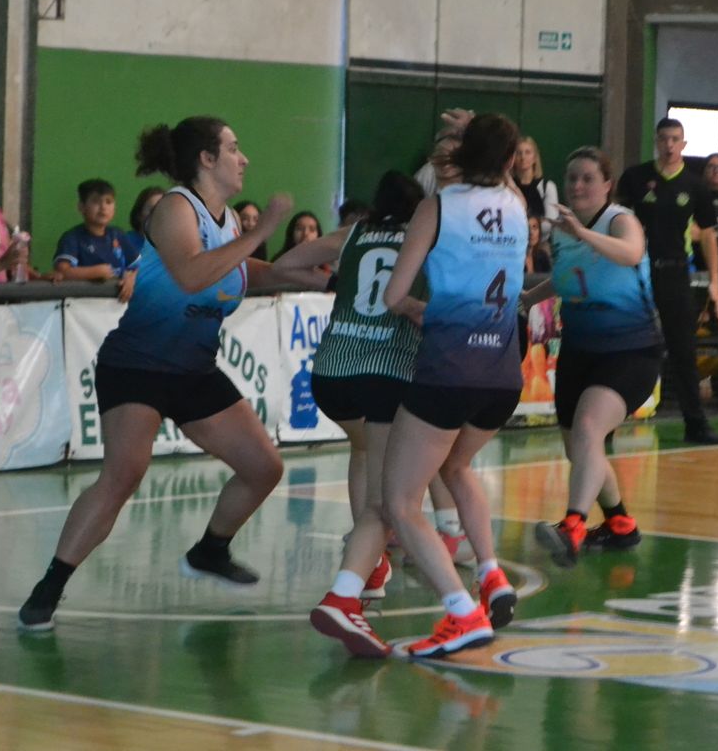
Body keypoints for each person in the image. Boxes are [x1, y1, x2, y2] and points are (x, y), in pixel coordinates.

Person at [18, 116, 293, 632]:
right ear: (206, 159)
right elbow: (191, 273)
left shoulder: (228, 220)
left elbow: (237, 269)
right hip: (137, 364)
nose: (244, 158)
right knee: (125, 473)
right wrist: (264, 233)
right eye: (234, 148)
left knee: (264, 466)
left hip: (192, 369)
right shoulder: (175, 208)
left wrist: (304, 271)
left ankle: (211, 550)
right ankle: (50, 585)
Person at [381, 113, 526, 658]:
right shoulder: (518, 208)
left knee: (400, 500)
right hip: (502, 375)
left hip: (450, 370)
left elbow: (396, 297)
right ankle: (491, 574)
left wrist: (425, 310)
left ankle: (462, 612)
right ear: (512, 162)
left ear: (459, 153)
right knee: (456, 466)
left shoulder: (435, 208)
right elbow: (504, 177)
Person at [272, 171, 424, 657]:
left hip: (332, 370)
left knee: (363, 452)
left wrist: (336, 282)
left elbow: (286, 262)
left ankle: (372, 565)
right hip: (384, 368)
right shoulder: (425, 238)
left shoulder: (353, 234)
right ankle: (348, 590)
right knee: (388, 496)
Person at [522, 146, 663, 566]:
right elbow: (568, 280)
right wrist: (530, 297)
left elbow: (631, 254)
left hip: (631, 351)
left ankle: (573, 527)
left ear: (607, 185)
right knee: (581, 448)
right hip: (579, 351)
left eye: (587, 178)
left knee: (587, 429)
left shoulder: (621, 220)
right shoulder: (562, 231)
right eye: (572, 178)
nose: (578, 185)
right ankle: (620, 524)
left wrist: (583, 234)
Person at [615, 118, 718, 445]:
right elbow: (616, 220)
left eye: (675, 139)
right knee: (623, 345)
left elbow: (707, 236)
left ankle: (695, 423)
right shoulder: (636, 178)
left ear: (684, 144)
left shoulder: (695, 185)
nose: (669, 145)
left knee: (683, 350)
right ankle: (607, 421)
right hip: (637, 273)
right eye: (664, 138)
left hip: (676, 273)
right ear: (656, 141)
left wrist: (715, 283)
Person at [54, 178, 138, 302]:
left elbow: (137, 266)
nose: (103, 207)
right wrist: (94, 272)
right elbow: (61, 271)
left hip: (117, 307)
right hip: (84, 307)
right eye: (96, 202)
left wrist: (131, 278)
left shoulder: (117, 234)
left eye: (108, 202)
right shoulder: (72, 238)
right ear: (81, 207)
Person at [511, 135, 560, 228]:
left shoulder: (547, 187)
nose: (523, 157)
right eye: (518, 153)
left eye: (527, 152)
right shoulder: (507, 187)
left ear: (534, 157)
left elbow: (551, 222)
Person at [125, 185, 166, 260]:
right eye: (152, 210)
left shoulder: (174, 247)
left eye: (162, 210)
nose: (158, 214)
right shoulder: (124, 243)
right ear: (139, 215)